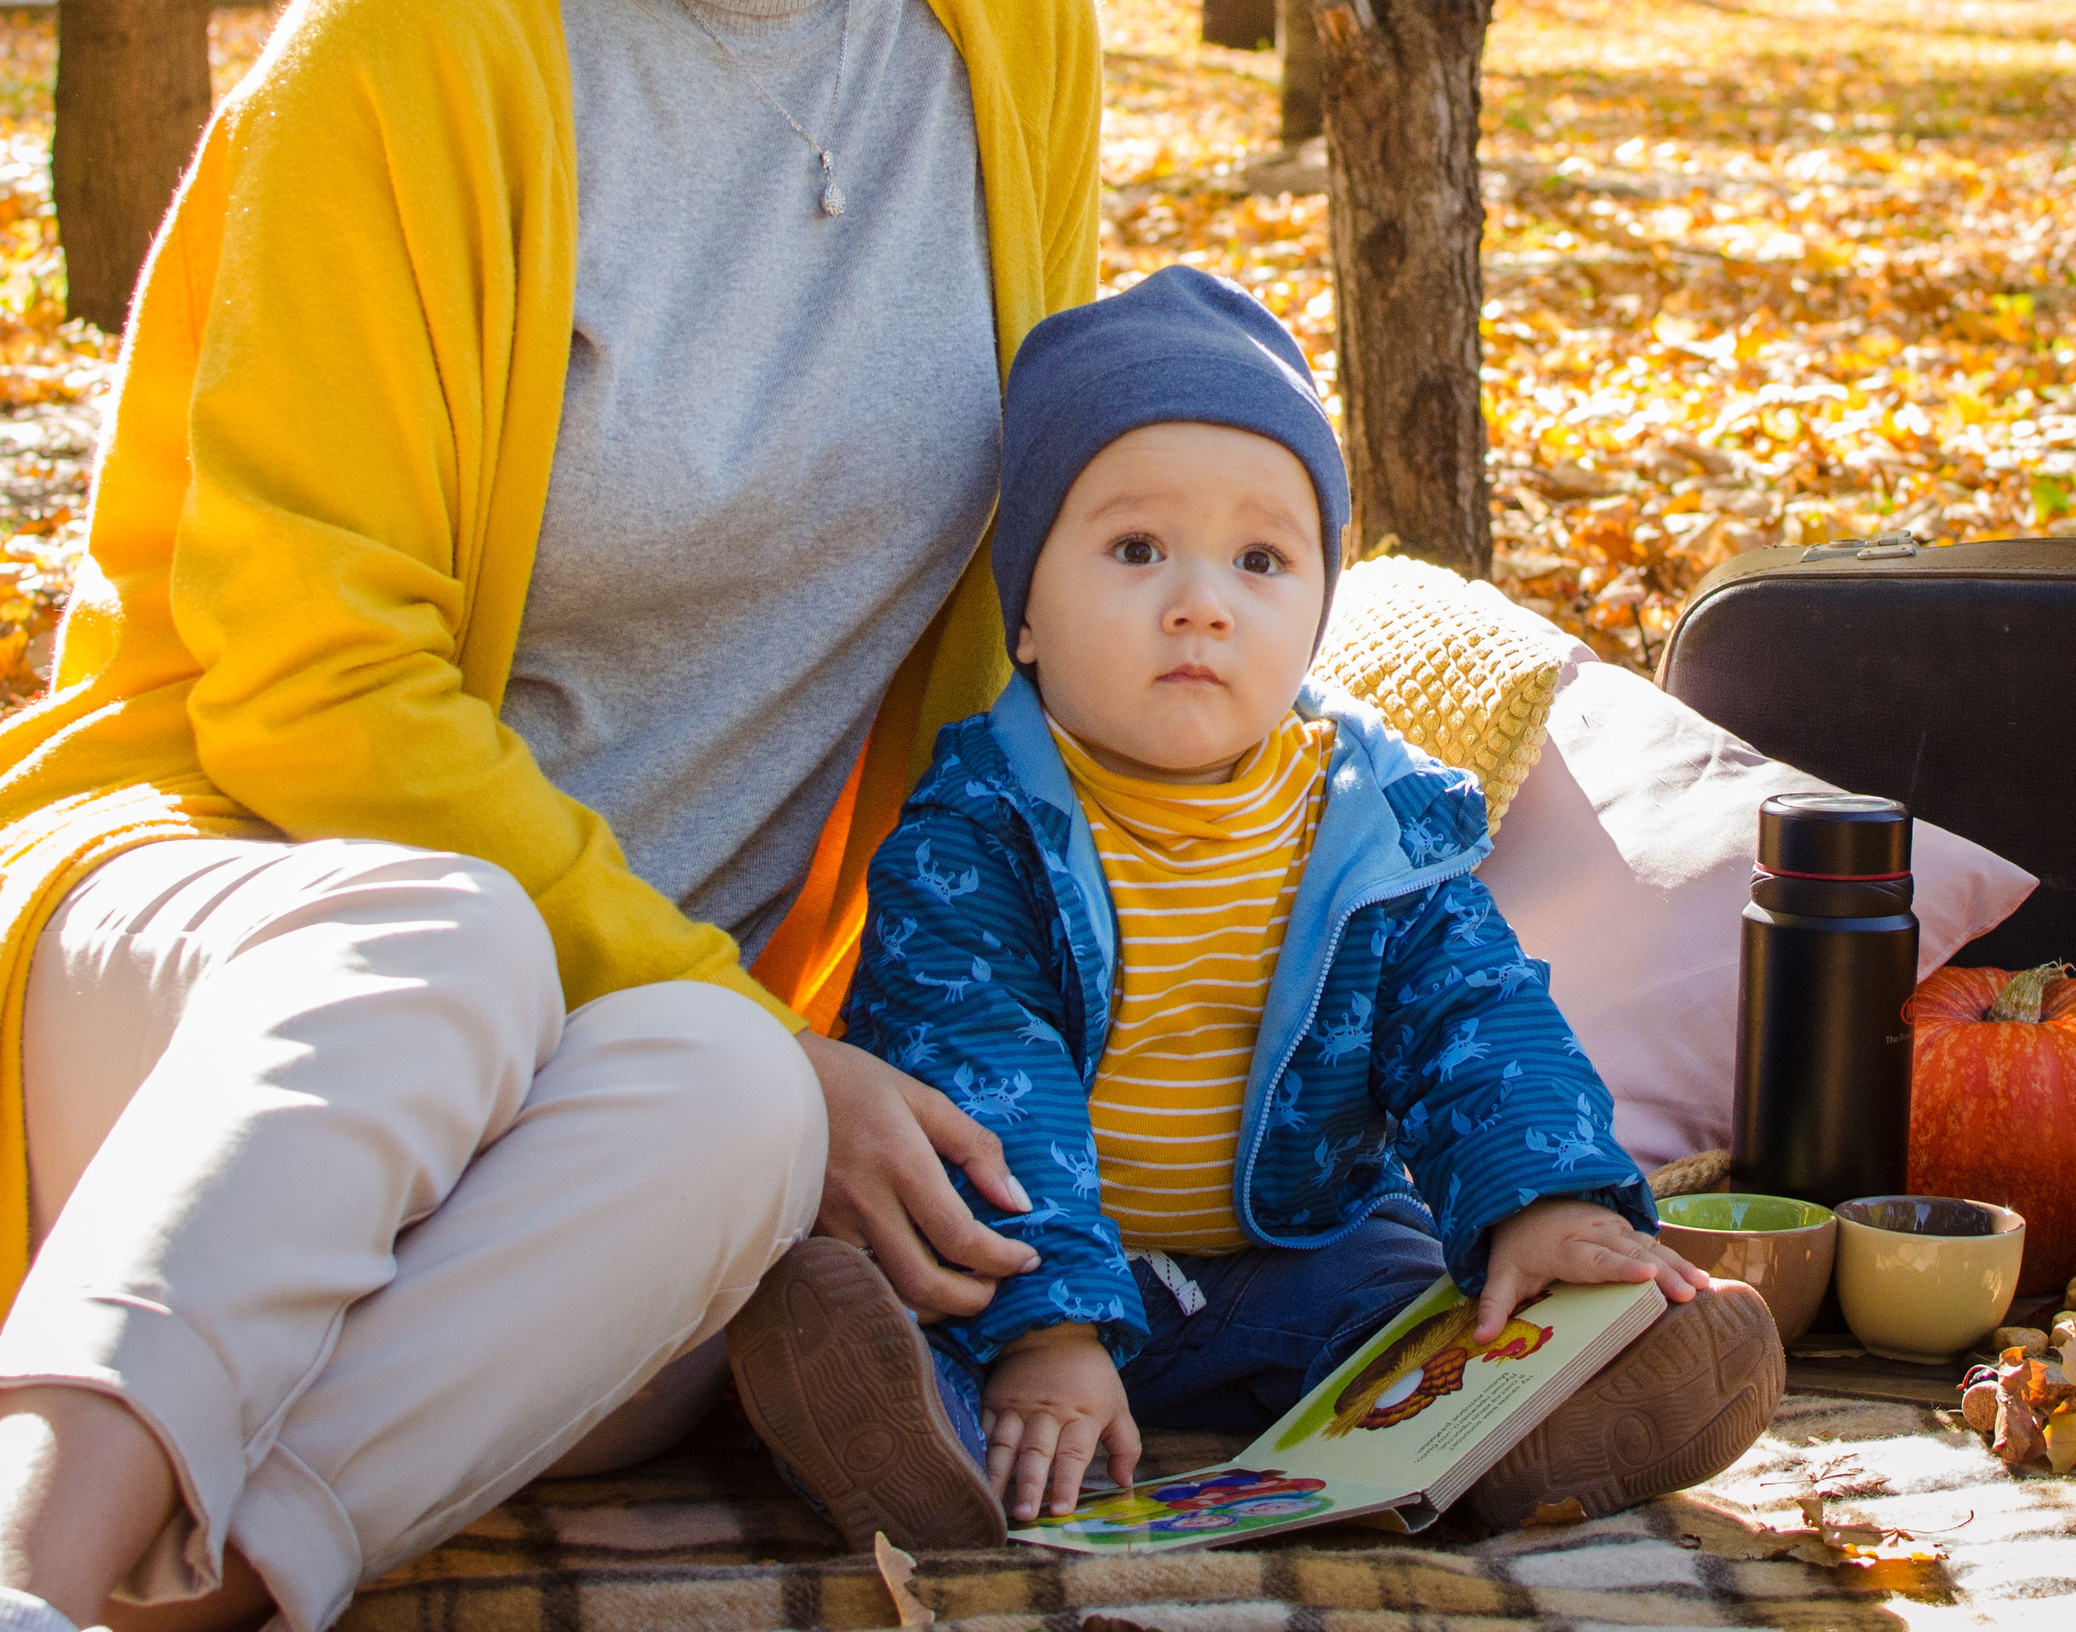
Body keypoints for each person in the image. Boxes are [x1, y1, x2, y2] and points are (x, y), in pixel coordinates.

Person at [0, 0, 1098, 1632]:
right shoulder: (414, 40)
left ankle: (211, 1585)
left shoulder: (1013, 24)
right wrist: (694, 983)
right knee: (453, 937)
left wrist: (912, 1059)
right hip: (247, 956)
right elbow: (306, 681)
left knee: (748, 1110)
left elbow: (990, 643)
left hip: (630, 1078)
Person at [729, 268, 1784, 1539]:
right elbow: (985, 1075)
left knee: (1429, 1305)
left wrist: (1543, 1197)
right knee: (900, 1291)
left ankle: (1526, 1436)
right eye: (1134, 548)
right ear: (1024, 618)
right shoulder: (978, 828)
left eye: (1260, 558)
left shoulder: (1375, 822)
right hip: (1048, 1253)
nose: (1199, 599)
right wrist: (1049, 1328)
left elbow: (1478, 1023)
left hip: (1300, 1248)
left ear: (1316, 610)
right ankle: (915, 1451)